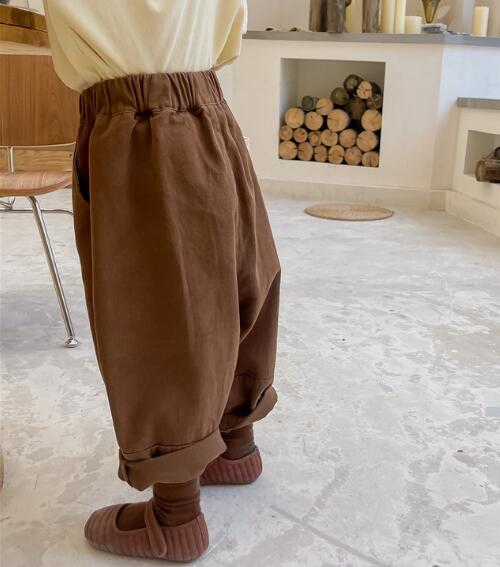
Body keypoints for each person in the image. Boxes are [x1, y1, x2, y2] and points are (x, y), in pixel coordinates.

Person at [43, 0, 281, 562]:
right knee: (231, 278)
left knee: (158, 313)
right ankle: (234, 444)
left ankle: (176, 515)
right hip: (207, 103)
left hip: (135, 116)